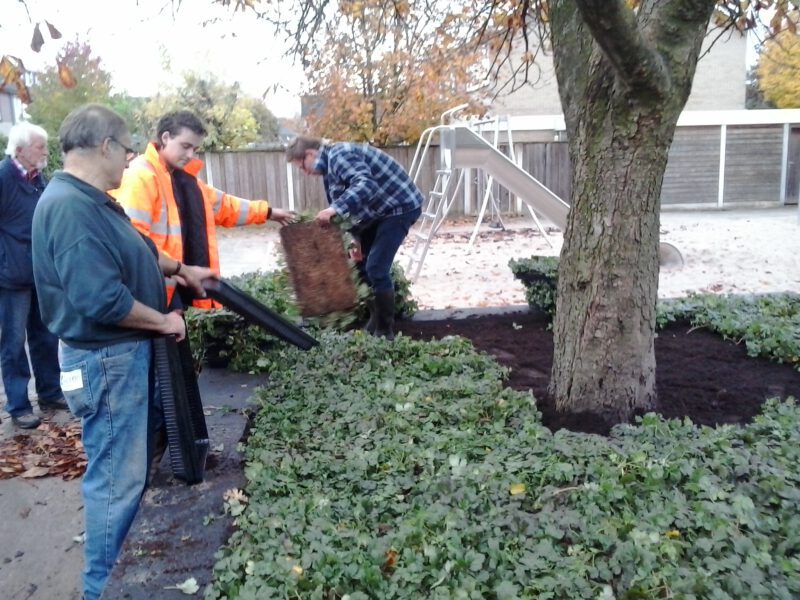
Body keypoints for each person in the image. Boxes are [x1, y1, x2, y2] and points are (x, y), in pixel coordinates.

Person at [31, 104, 215, 600]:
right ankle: (102, 590)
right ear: (106, 146)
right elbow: (100, 299)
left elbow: (134, 245)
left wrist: (180, 269)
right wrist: (163, 320)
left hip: (118, 359)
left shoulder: (93, 199)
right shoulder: (68, 207)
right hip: (104, 362)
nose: (132, 156)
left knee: (127, 471)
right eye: (127, 146)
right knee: (116, 481)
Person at [111, 109, 295, 310]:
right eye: (185, 146)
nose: (190, 155)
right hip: (149, 295)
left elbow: (224, 205)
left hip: (172, 289)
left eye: (195, 149)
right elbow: (132, 243)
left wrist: (268, 212)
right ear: (165, 137)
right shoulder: (141, 177)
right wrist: (177, 270)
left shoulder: (184, 181)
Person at [287, 135, 423, 340]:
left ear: (310, 154)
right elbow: (353, 207)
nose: (305, 173)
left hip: (399, 207)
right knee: (360, 264)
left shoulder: (339, 155)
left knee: (376, 267)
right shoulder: (329, 172)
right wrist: (355, 239)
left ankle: (385, 332)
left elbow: (364, 185)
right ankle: (375, 320)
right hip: (377, 212)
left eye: (303, 167)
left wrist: (333, 209)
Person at [0, 122, 67, 429]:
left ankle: (50, 393)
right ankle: (18, 405)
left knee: (46, 336)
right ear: (21, 149)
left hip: (39, 273)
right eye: (41, 146)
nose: (45, 152)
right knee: (13, 344)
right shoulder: (3, 177)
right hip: (10, 278)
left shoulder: (39, 179)